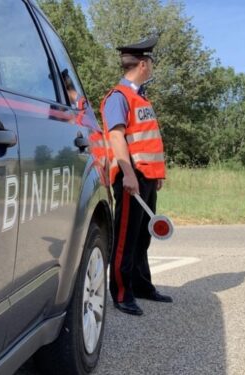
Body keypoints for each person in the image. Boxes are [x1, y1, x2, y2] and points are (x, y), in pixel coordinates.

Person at [100, 36, 172, 316]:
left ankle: (142, 286)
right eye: (151, 62)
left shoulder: (140, 98)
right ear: (143, 64)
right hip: (131, 179)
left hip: (147, 178)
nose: (152, 66)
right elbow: (116, 137)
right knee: (126, 239)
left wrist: (157, 175)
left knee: (143, 237)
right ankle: (120, 292)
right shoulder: (119, 97)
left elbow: (147, 141)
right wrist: (128, 174)